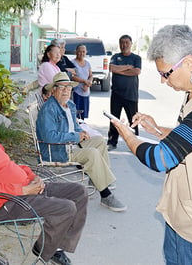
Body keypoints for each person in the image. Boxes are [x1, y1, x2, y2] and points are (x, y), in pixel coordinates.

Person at [111, 25, 192, 265]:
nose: (163, 82)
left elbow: (160, 158)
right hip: (180, 209)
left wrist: (126, 135)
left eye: (166, 73)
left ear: (189, 63)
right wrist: (157, 129)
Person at [0, 99, 87, 265]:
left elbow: (10, 165)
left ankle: (57, 245)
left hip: (26, 189)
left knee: (79, 191)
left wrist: (32, 176)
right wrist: (23, 190)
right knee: (66, 208)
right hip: (5, 204)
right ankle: (44, 252)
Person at [36, 72, 127, 212]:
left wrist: (82, 132)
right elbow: (49, 137)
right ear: (54, 90)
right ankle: (105, 194)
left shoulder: (70, 105)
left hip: (71, 145)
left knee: (99, 142)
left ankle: (96, 179)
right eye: (61, 87)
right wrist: (75, 137)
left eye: (69, 87)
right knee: (92, 154)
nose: (66, 90)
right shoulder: (48, 109)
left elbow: (75, 126)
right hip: (56, 151)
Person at [107, 34, 142, 151]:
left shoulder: (136, 58)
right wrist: (127, 67)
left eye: (127, 42)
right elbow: (112, 68)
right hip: (116, 94)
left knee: (133, 121)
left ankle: (136, 144)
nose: (124, 45)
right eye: (122, 42)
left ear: (131, 44)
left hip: (131, 95)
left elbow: (136, 71)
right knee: (114, 119)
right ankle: (112, 142)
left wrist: (119, 70)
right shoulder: (115, 57)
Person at [71, 44, 93, 120]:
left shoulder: (87, 63)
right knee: (76, 115)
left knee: (83, 116)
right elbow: (72, 76)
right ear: (76, 52)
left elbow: (91, 75)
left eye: (83, 51)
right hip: (76, 92)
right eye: (79, 51)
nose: (81, 53)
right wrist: (84, 81)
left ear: (86, 52)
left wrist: (88, 83)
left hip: (85, 93)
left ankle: (82, 130)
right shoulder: (72, 63)